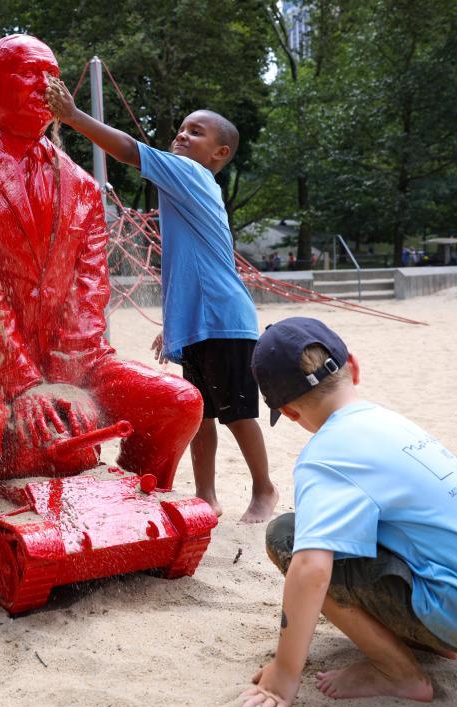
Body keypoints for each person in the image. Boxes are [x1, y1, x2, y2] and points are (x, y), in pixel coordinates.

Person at [0, 35, 205, 597]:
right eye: (29, 74)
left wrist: (67, 382)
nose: (44, 86)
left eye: (52, 75)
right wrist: (28, 384)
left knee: (179, 403)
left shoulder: (80, 185)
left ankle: (133, 491)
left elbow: (89, 289)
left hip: (76, 363)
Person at [236, 317, 457, 707]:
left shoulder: (326, 454)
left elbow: (311, 569)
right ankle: (431, 642)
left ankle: (398, 672)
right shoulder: (389, 422)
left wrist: (284, 674)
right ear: (353, 365)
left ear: (290, 412)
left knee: (287, 534)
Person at [47, 73, 279, 523]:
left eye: (196, 132)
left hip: (224, 319)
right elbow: (184, 269)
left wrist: (72, 117)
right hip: (198, 321)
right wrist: (174, 327)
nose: (182, 134)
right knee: (199, 415)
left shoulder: (191, 172)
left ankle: (264, 488)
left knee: (235, 412)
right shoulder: (183, 185)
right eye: (182, 127)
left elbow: (129, 150)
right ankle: (207, 495)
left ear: (220, 154)